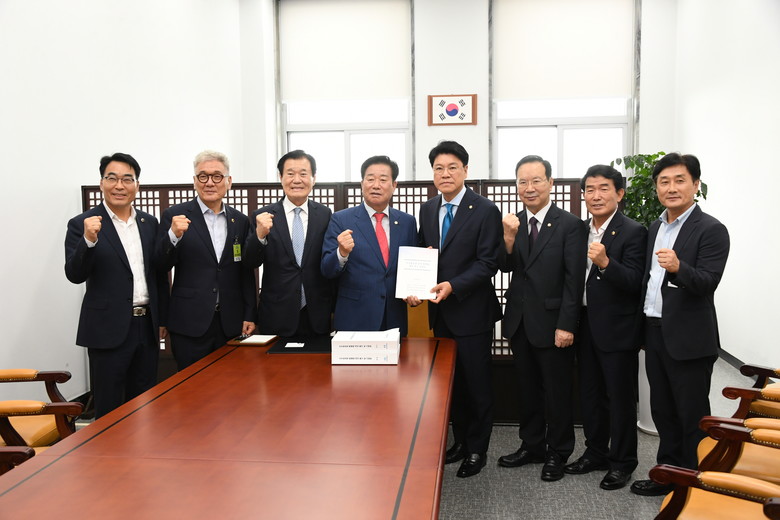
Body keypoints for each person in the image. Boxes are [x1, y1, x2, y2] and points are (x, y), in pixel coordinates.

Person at [630, 153, 730, 496]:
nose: (671, 188)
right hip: (655, 331)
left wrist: (678, 268)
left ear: (695, 185)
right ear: (656, 187)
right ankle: (668, 474)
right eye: (664, 182)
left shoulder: (712, 229)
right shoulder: (655, 227)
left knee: (691, 414)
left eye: (679, 180)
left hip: (689, 338)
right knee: (663, 411)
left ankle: (694, 482)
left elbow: (707, 282)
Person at [412, 141, 502, 478]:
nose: (445, 173)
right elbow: (423, 254)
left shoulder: (485, 210)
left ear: (465, 170)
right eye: (439, 168)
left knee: (477, 384)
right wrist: (415, 285)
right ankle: (461, 441)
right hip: (440, 313)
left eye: (452, 167)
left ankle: (478, 449)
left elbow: (488, 262)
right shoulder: (427, 209)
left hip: (472, 311)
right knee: (453, 384)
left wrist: (454, 285)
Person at [497, 155, 587, 482]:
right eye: (522, 182)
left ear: (550, 182)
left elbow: (574, 280)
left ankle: (558, 452)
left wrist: (567, 324)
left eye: (536, 180)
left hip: (553, 324)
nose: (529, 187)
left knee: (557, 391)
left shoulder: (570, 224)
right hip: (520, 321)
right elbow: (505, 267)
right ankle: (532, 445)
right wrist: (508, 238)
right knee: (527, 389)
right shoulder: (514, 222)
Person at [65, 153, 168, 418]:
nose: (119, 186)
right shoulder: (82, 224)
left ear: (137, 185)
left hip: (146, 326)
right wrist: (88, 240)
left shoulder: (149, 223)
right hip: (107, 329)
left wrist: (162, 319)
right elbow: (74, 274)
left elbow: (158, 274)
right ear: (101, 183)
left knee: (145, 404)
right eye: (112, 178)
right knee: (109, 406)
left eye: (127, 179)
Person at [563, 165, 647, 490]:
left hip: (617, 329)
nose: (595, 196)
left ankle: (622, 462)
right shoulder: (579, 229)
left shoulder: (634, 231)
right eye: (590, 189)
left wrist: (606, 263)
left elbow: (635, 281)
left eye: (603, 189)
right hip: (584, 325)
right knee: (590, 394)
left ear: (619, 193)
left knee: (620, 398)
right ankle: (595, 452)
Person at [158, 150, 255, 370]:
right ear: (195, 181)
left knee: (230, 384)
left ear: (229, 181)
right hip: (189, 322)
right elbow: (161, 264)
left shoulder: (239, 220)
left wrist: (250, 313)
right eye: (203, 176)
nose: (210, 182)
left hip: (230, 322)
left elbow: (245, 271)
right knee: (190, 386)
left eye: (217, 176)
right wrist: (173, 236)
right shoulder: (175, 216)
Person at [321, 155, 417, 336]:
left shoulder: (407, 222)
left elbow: (410, 268)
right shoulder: (341, 219)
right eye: (370, 179)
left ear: (394, 185)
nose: (376, 185)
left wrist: (417, 285)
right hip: (354, 317)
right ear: (362, 183)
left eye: (383, 180)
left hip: (394, 317)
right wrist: (341, 252)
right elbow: (327, 269)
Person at [244, 150, 334, 340]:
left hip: (316, 313)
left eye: (303, 174)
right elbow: (250, 262)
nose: (297, 180)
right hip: (277, 313)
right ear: (281, 177)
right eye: (290, 174)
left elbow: (329, 262)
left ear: (314, 178)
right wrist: (260, 234)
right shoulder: (263, 216)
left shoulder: (324, 214)